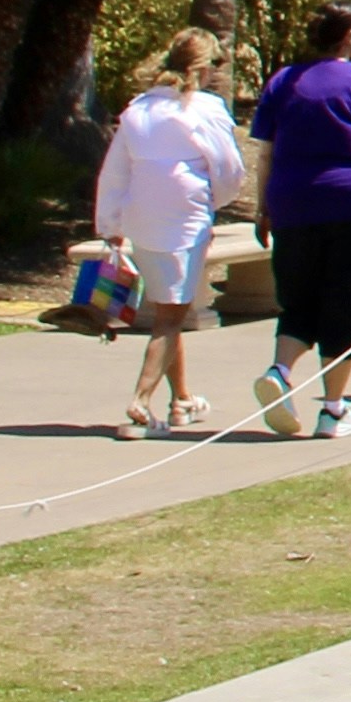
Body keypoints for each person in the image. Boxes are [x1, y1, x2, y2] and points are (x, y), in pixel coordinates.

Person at [245, 0, 351, 437]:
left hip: (293, 203)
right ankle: (334, 408)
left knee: (300, 298)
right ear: (349, 35)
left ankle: (281, 370)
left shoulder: (282, 81)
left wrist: (263, 207)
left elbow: (266, 151)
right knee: (348, 301)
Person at [91, 30, 244, 436]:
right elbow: (229, 171)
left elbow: (115, 172)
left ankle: (181, 400)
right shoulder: (204, 110)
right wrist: (213, 203)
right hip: (185, 217)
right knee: (172, 316)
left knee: (168, 305)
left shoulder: (139, 109)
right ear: (202, 67)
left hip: (143, 215)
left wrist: (110, 223)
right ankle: (141, 402)